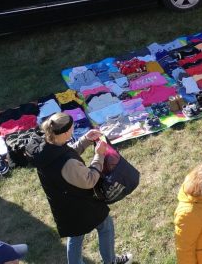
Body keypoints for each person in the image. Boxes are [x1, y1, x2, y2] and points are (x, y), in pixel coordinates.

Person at [26, 113, 132, 264]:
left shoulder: (47, 146)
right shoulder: (66, 162)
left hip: (63, 204)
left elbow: (67, 155)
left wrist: (85, 140)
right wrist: (99, 156)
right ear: (65, 132)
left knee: (75, 235)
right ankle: (110, 261)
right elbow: (90, 180)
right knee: (105, 225)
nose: (74, 129)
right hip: (81, 204)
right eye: (72, 127)